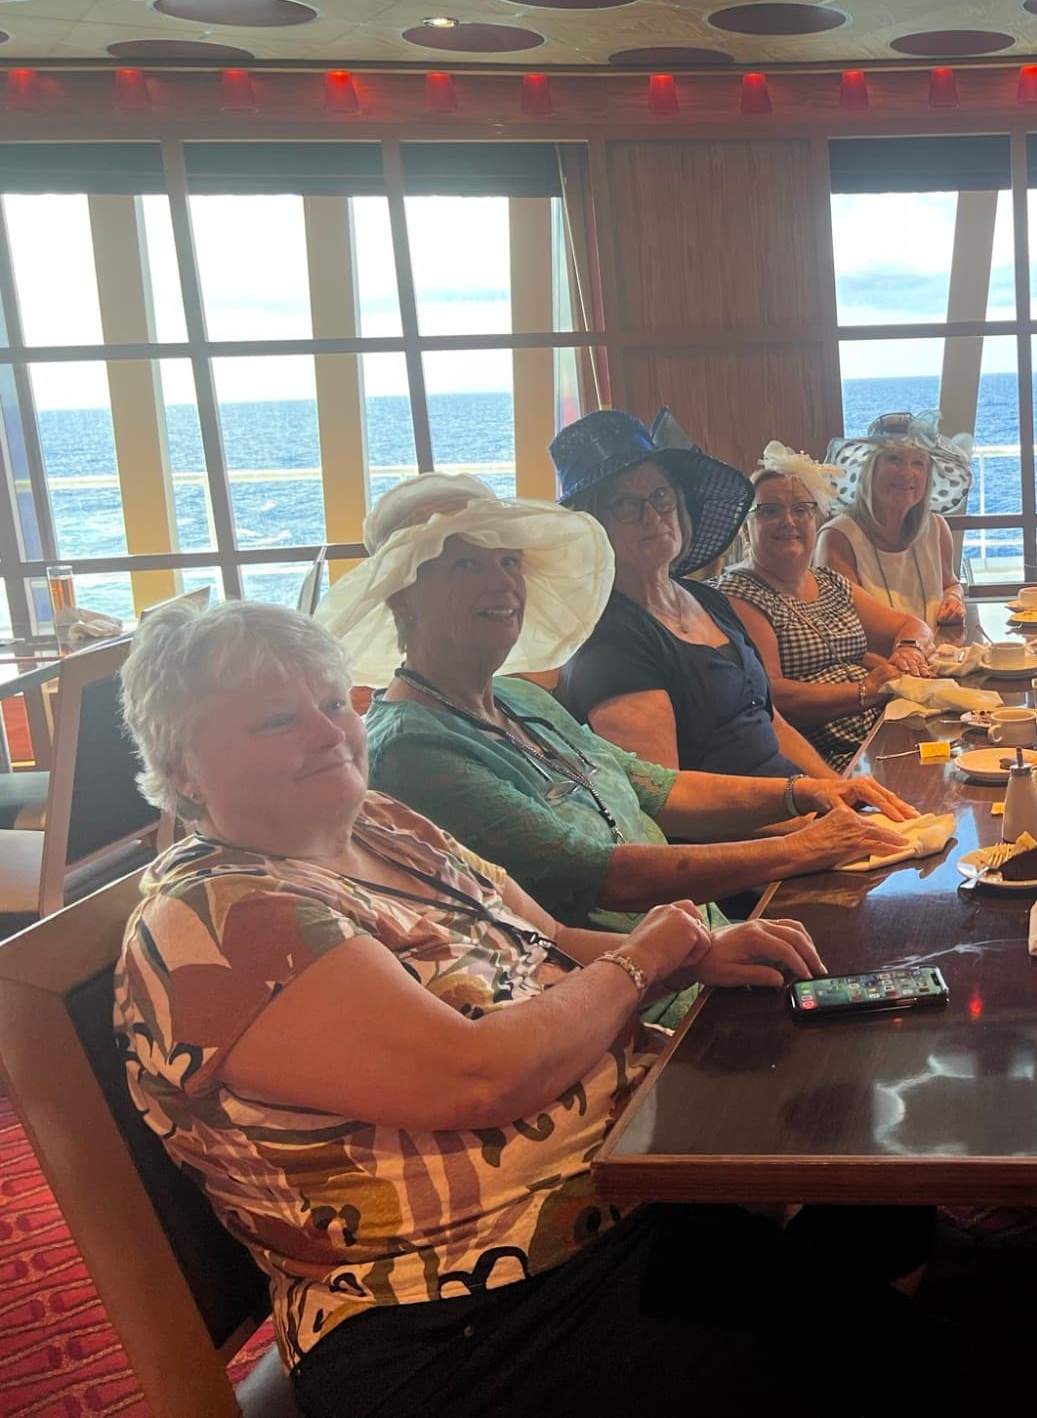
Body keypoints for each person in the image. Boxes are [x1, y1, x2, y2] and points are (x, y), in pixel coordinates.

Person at [113, 601, 961, 1416]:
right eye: (275, 722)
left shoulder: (379, 825)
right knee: (925, 1357)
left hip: (626, 1200)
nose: (328, 732)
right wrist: (648, 959)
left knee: (887, 1188)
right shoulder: (221, 916)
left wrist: (700, 956)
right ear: (183, 767)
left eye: (333, 702)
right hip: (466, 1316)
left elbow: (548, 939)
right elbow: (478, 1077)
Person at [315, 473, 915, 965]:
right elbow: (599, 875)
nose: (501, 583)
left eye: (507, 561)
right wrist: (801, 847)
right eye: (464, 566)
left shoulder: (523, 701)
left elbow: (656, 787)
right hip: (628, 984)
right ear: (402, 597)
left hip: (706, 939)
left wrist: (810, 792)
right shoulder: (412, 749)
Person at [551, 408, 841, 780]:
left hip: (799, 807)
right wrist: (809, 812)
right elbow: (670, 803)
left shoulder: (708, 599)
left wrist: (845, 793)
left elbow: (772, 724)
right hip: (746, 834)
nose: (653, 516)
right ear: (592, 526)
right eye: (625, 504)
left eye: (661, 495)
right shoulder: (609, 643)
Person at [719, 445, 934, 767]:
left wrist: (908, 650)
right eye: (770, 511)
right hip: (829, 762)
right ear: (746, 528)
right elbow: (772, 694)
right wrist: (864, 690)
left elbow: (912, 626)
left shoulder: (828, 581)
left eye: (801, 509)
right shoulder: (739, 592)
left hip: (883, 735)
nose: (788, 521)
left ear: (815, 517)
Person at [817, 410, 973, 628]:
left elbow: (951, 583)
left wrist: (954, 598)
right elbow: (841, 630)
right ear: (869, 469)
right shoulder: (838, 538)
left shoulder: (936, 528)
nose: (906, 472)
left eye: (918, 463)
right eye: (894, 459)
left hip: (938, 658)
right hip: (876, 662)